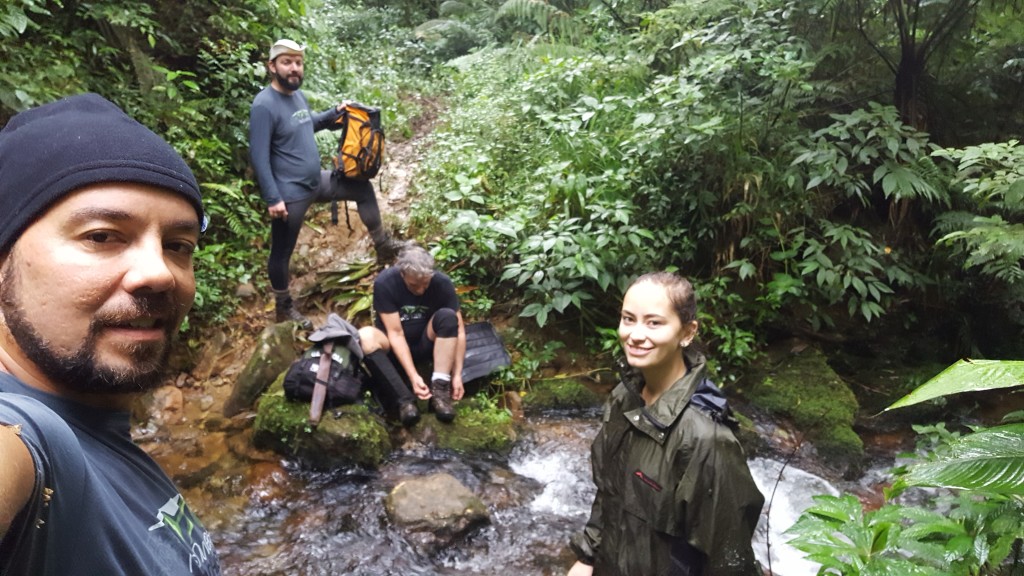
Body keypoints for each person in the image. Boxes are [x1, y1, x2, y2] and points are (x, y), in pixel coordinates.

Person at [0, 93, 221, 574]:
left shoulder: (94, 427)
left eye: (178, 245)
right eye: (102, 235)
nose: (159, 273)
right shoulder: (24, 435)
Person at [567, 272, 764, 576]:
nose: (635, 334)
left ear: (687, 332)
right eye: (628, 319)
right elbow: (609, 493)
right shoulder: (625, 397)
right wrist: (588, 556)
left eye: (654, 323)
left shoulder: (705, 438)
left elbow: (729, 559)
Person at [249, 38, 404, 330]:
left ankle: (382, 245)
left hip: (315, 182)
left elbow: (308, 124)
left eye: (298, 62)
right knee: (282, 251)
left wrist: (335, 114)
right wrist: (272, 198)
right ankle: (283, 307)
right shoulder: (264, 106)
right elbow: (258, 156)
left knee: (361, 188)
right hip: (289, 194)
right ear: (272, 66)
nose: (294, 68)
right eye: (287, 62)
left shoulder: (298, 96)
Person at [363, 245, 466, 423]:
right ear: (402, 274)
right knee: (365, 336)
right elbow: (396, 334)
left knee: (448, 317)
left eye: (425, 284)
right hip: (393, 346)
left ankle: (440, 394)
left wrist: (457, 375)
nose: (420, 290)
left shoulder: (442, 283)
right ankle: (405, 401)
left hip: (427, 341)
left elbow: (460, 332)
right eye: (414, 285)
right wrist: (413, 377)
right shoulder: (385, 283)